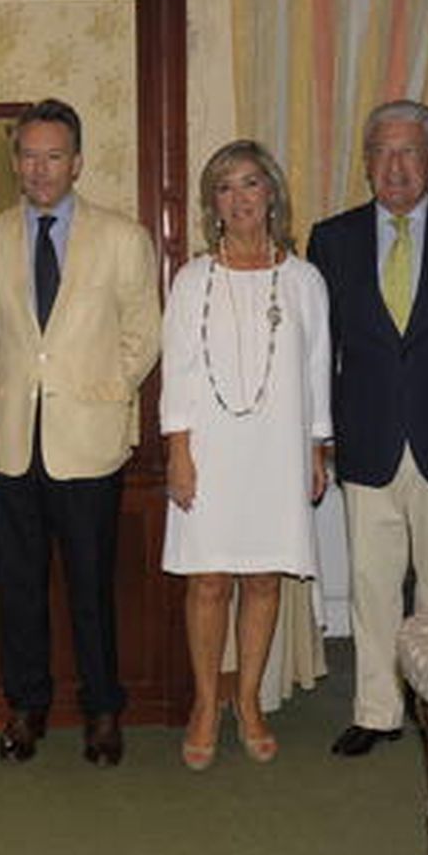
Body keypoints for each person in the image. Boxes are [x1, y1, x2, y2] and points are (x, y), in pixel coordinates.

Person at [0, 98, 160, 767]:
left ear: (76, 162)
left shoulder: (123, 237)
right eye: (29, 155)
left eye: (54, 156)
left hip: (89, 440)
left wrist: (106, 389)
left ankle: (102, 710)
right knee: (17, 584)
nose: (40, 168)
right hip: (11, 440)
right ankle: (27, 706)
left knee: (90, 585)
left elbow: (144, 333)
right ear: (15, 161)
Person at [307, 100, 428, 758]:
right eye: (382, 152)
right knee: (371, 583)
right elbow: (320, 349)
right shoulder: (330, 239)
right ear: (366, 163)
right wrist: (317, 435)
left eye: (409, 151)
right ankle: (377, 709)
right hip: (366, 439)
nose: (395, 166)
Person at [161, 140, 331, 769]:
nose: (239, 199)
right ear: (213, 202)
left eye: (251, 184)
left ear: (272, 195)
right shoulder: (191, 280)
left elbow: (318, 370)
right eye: (226, 187)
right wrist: (179, 452)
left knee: (263, 578)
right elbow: (176, 372)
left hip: (278, 448)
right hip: (209, 449)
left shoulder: (305, 279)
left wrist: (317, 446)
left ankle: (250, 701)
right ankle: (208, 703)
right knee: (208, 580)